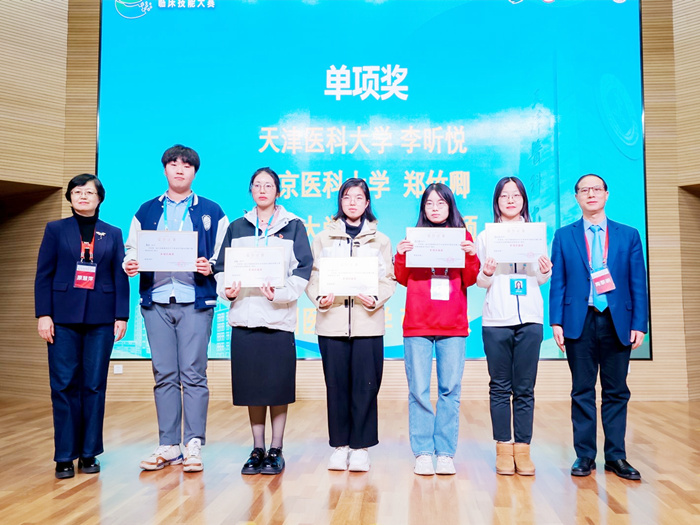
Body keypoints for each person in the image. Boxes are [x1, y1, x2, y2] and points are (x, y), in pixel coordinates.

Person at [124, 144, 229, 472]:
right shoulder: (146, 210)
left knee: (194, 374)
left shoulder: (211, 210)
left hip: (194, 301)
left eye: (186, 165)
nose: (179, 169)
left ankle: (193, 443)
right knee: (164, 374)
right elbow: (132, 247)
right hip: (156, 301)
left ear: (195, 171)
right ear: (165, 169)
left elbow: (223, 254)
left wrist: (210, 266)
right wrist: (131, 262)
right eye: (173, 164)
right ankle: (169, 444)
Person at [213, 167, 312, 475]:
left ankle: (276, 449)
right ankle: (257, 448)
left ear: (278, 191)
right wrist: (227, 291)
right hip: (244, 319)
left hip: (278, 321)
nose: (262, 190)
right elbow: (221, 268)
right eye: (257, 185)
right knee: (252, 389)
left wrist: (278, 294)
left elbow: (303, 270)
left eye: (269, 185)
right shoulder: (236, 226)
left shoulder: (294, 226)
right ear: (251, 190)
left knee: (277, 389)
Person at [550, 174, 648, 480]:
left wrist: (640, 323)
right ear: (576, 198)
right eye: (584, 190)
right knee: (582, 390)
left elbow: (637, 281)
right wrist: (556, 321)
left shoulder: (628, 235)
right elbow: (559, 282)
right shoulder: (564, 236)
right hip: (578, 320)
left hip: (617, 321)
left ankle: (616, 456)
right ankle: (585, 455)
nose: (590, 194)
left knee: (616, 390)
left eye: (596, 189)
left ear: (606, 194)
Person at [35, 174, 130, 479]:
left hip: (101, 319)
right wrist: (44, 314)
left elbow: (119, 276)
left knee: (94, 385)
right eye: (77, 192)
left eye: (89, 192)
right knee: (63, 385)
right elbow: (43, 274)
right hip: (61, 318)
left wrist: (121, 316)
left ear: (99, 198)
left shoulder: (112, 233)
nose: (83, 196)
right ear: (70, 197)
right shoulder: (55, 229)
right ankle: (64, 455)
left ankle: (89, 453)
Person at [306, 178, 396, 472]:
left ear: (367, 202)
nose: (353, 202)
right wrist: (320, 298)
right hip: (331, 323)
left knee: (366, 386)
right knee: (336, 386)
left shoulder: (381, 240)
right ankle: (340, 446)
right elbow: (313, 276)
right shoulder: (323, 238)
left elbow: (388, 279)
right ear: (340, 202)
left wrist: (375, 298)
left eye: (359, 197)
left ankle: (360, 447)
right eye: (347, 197)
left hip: (367, 324)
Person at [394, 183, 480, 476]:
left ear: (450, 207)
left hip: (452, 324)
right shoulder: (414, 238)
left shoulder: (463, 237)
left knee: (449, 390)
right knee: (418, 390)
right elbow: (402, 278)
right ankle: (422, 452)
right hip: (417, 323)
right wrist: (401, 255)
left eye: (441, 203)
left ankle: (445, 453)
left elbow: (470, 279)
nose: (434, 208)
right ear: (423, 208)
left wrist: (471, 255)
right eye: (429, 203)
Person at [476, 177, 552, 476]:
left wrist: (545, 270)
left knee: (525, 388)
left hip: (530, 319)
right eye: (504, 196)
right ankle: (503, 448)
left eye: (516, 195)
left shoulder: (536, 234)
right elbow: (481, 282)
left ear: (523, 201)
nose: (510, 200)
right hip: (497, 319)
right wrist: (487, 272)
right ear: (497, 201)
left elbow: (540, 279)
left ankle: (523, 449)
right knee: (499, 387)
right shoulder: (486, 236)